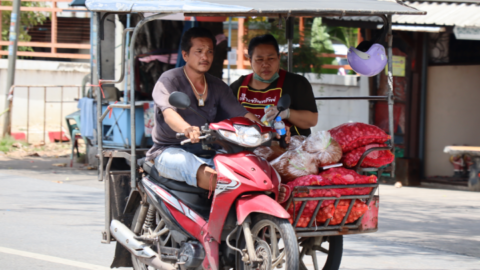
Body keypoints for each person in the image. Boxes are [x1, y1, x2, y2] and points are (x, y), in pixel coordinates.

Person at [146, 27, 260, 191]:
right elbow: (169, 114)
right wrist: (187, 128)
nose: (205, 57)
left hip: (209, 151)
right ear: (185, 55)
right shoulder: (169, 80)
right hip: (169, 151)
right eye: (199, 51)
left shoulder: (218, 86)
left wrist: (265, 129)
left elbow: (241, 113)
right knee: (220, 182)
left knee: (246, 171)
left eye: (209, 52)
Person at [230, 34, 318, 136]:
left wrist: (288, 113)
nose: (266, 64)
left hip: (290, 149)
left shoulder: (296, 83)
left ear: (278, 58)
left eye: (271, 58)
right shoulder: (237, 88)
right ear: (250, 61)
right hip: (248, 147)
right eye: (259, 59)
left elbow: (312, 120)